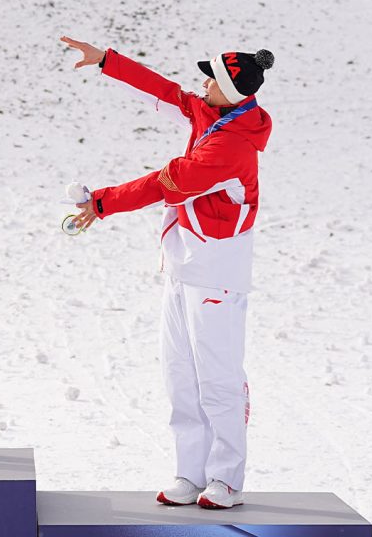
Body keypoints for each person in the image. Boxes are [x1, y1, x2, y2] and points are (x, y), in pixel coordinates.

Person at [61, 36, 274, 509]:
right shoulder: (215, 112)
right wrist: (107, 62)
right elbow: (166, 92)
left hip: (217, 270)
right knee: (179, 375)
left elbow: (167, 182)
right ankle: (190, 473)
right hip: (182, 266)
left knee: (218, 378)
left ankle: (227, 479)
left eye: (211, 79)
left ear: (231, 92)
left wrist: (100, 203)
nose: (202, 84)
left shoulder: (232, 147)